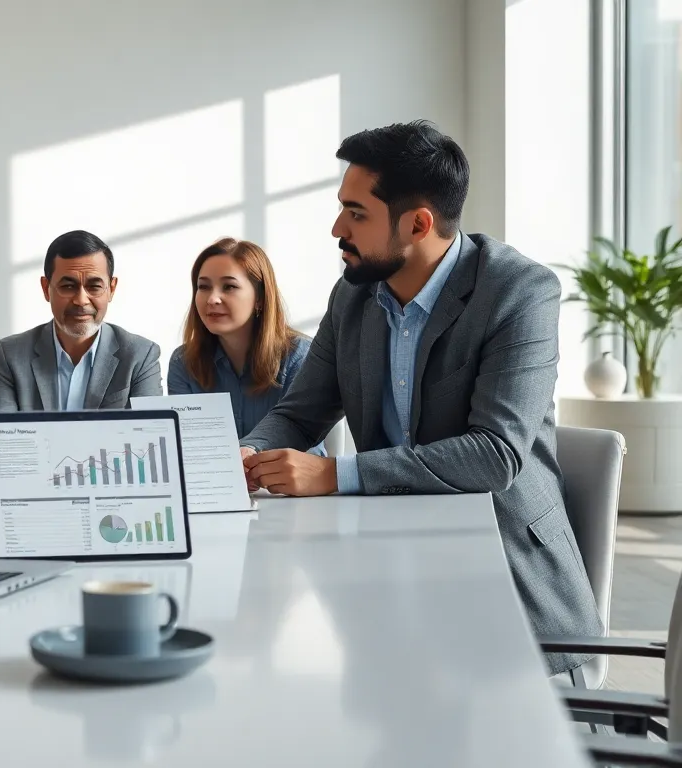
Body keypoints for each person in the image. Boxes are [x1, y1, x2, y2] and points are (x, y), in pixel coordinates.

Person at [238, 119, 601, 675]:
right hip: (389, 572)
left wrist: (335, 475)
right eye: (342, 207)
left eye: (357, 213)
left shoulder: (519, 291)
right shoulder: (353, 296)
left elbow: (495, 454)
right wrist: (249, 451)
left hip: (508, 582)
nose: (338, 227)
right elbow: (298, 413)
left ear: (419, 222)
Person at [167, 237, 325, 455]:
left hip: (284, 488)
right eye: (203, 287)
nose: (212, 298)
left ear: (259, 298)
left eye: (229, 286)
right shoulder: (183, 362)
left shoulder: (300, 356)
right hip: (216, 486)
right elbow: (186, 451)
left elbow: (307, 453)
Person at [0, 230, 161, 413]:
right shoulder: (10, 356)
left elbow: (148, 435)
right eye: (68, 286)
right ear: (46, 288)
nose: (81, 300)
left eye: (94, 287)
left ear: (111, 289)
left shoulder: (140, 356)